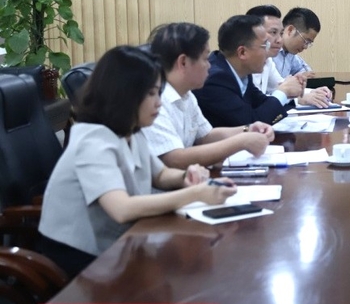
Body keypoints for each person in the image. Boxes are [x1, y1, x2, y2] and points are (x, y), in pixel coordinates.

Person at [38, 46, 236, 278]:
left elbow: (160, 175)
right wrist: (195, 194)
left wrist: (186, 177)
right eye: (151, 94)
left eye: (158, 93)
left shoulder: (131, 130)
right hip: (79, 257)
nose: (159, 103)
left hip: (120, 243)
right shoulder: (93, 140)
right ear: (125, 94)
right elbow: (121, 209)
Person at [143, 22, 276, 168]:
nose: (209, 66)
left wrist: (248, 129)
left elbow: (205, 136)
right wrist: (241, 142)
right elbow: (174, 159)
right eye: (205, 59)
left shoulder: (186, 95)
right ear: (183, 62)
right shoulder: (156, 101)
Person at [195, 15, 298, 127]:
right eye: (264, 46)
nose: (267, 52)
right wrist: (282, 92)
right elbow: (250, 123)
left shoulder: (240, 70)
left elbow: (261, 103)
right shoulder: (215, 79)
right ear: (242, 52)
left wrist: (286, 93)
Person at [246, 5, 331, 107]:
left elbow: (281, 86)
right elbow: (256, 101)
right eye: (273, 32)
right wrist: (299, 98)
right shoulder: (242, 63)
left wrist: (313, 93)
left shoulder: (267, 61)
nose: (279, 40)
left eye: (279, 33)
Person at [273, 7, 320, 78]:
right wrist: (295, 78)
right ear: (290, 30)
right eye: (306, 41)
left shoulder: (290, 54)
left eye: (309, 43)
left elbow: (307, 72)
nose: (305, 47)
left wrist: (302, 76)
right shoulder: (269, 51)